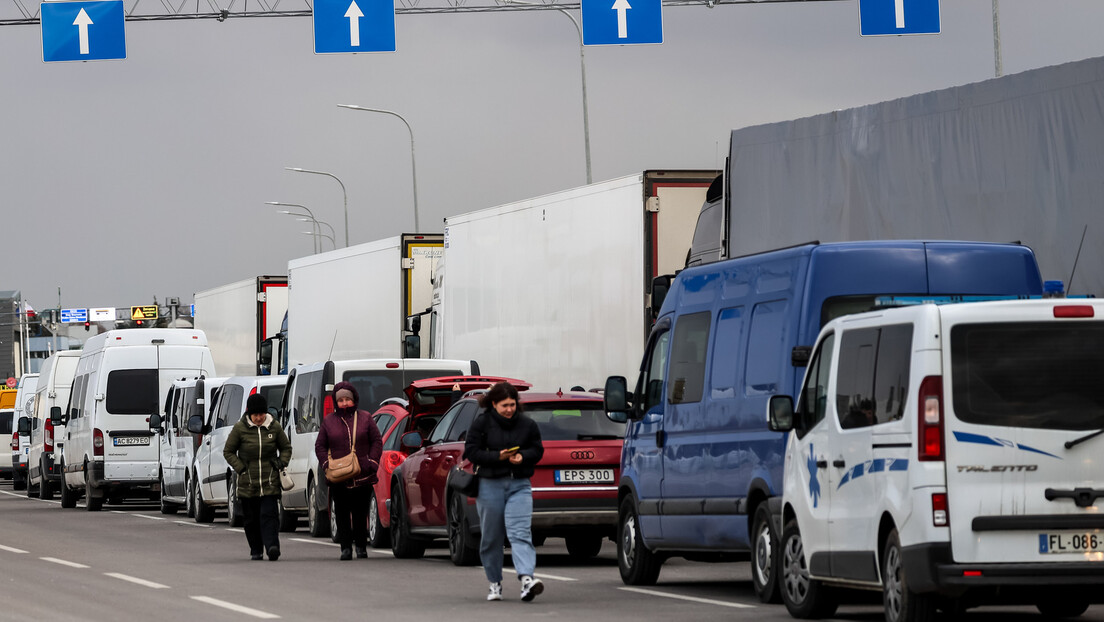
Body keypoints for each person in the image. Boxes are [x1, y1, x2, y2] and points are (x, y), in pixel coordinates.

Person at [463, 382, 545, 602]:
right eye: (504, 405)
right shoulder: (482, 424)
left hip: (519, 485)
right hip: (489, 485)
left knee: (520, 533)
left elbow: (537, 450)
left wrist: (524, 456)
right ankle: (494, 582)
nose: (509, 409)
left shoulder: (527, 424)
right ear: (493, 404)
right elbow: (471, 452)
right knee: (492, 537)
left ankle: (527, 579)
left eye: (512, 404)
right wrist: (497, 457)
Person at [315, 381, 383, 560]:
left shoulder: (365, 418)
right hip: (338, 477)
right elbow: (320, 446)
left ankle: (361, 546)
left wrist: (372, 462)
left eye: (348, 399)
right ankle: (345, 548)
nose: (344, 403)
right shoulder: (329, 421)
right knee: (342, 514)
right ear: (336, 402)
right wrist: (326, 464)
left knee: (361, 513)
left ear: (355, 400)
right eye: (341, 400)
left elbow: (377, 441)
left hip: (362, 475)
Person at [223, 393, 291, 561]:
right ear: (249, 414)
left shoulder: (274, 426)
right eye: (256, 415)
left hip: (269, 481)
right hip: (248, 483)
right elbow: (228, 451)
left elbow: (286, 448)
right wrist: (241, 468)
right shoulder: (240, 428)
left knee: (270, 516)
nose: (259, 418)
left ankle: (272, 547)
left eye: (262, 414)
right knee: (251, 520)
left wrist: (281, 462)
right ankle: (256, 549)